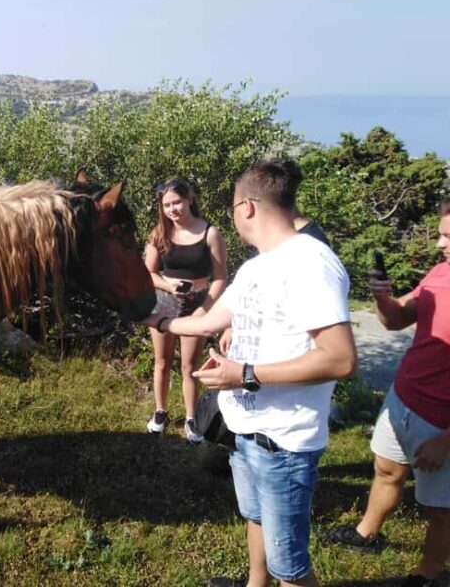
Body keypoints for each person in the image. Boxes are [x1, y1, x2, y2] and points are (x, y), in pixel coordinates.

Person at [146, 159, 357, 587]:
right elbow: (210, 321)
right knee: (256, 519)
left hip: (283, 442)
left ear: (246, 207)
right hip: (245, 433)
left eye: (233, 209)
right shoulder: (258, 266)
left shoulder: (310, 263)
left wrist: (244, 374)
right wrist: (158, 320)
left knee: (290, 568)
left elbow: (340, 359)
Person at [323, 199, 450, 587]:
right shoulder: (439, 273)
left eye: (448, 236)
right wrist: (382, 298)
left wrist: (446, 440)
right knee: (386, 470)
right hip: (404, 397)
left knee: (441, 509)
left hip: (442, 419)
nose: (440, 244)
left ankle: (427, 575)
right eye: (441, 234)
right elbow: (396, 320)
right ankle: (367, 533)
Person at [144, 178, 227, 442]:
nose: (173, 209)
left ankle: (192, 418)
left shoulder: (210, 233)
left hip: (197, 305)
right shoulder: (159, 233)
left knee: (189, 366)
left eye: (177, 202)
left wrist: (205, 309)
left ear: (189, 199)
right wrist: (169, 286)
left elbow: (221, 278)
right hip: (163, 303)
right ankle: (160, 412)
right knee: (162, 361)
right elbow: (148, 273)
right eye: (167, 205)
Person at [219, 205, 330, 354]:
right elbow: (252, 288)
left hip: (287, 353)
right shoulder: (269, 237)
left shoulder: (311, 244)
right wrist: (232, 326)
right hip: (259, 348)